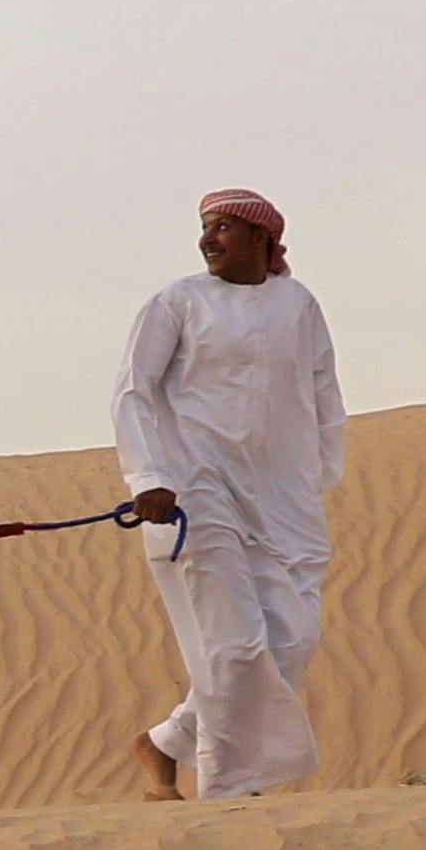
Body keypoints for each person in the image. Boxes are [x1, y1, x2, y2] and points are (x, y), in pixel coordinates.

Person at [114, 189, 349, 799]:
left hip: (285, 497)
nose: (207, 239)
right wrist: (148, 478)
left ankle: (167, 741)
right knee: (233, 645)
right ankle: (227, 794)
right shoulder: (176, 302)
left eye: (222, 227)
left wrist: (318, 475)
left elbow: (325, 390)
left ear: (262, 240)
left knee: (292, 641)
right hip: (195, 491)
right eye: (204, 227)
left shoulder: (298, 303)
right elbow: (132, 391)